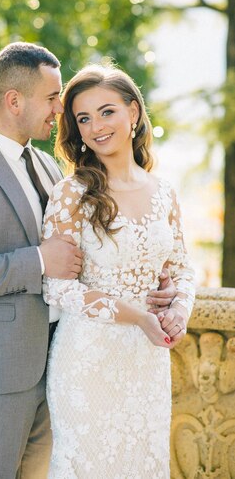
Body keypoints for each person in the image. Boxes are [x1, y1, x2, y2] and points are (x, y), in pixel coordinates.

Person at [0, 43, 177, 479]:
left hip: (58, 364)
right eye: (51, 97)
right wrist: (38, 260)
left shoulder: (46, 166)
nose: (60, 109)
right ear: (14, 100)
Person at [42, 63, 196, 479]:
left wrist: (179, 310)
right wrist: (138, 317)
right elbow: (58, 289)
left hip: (147, 364)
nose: (96, 127)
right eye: (84, 118)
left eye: (107, 111)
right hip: (87, 361)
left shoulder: (163, 191)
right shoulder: (71, 194)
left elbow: (182, 269)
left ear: (133, 113)